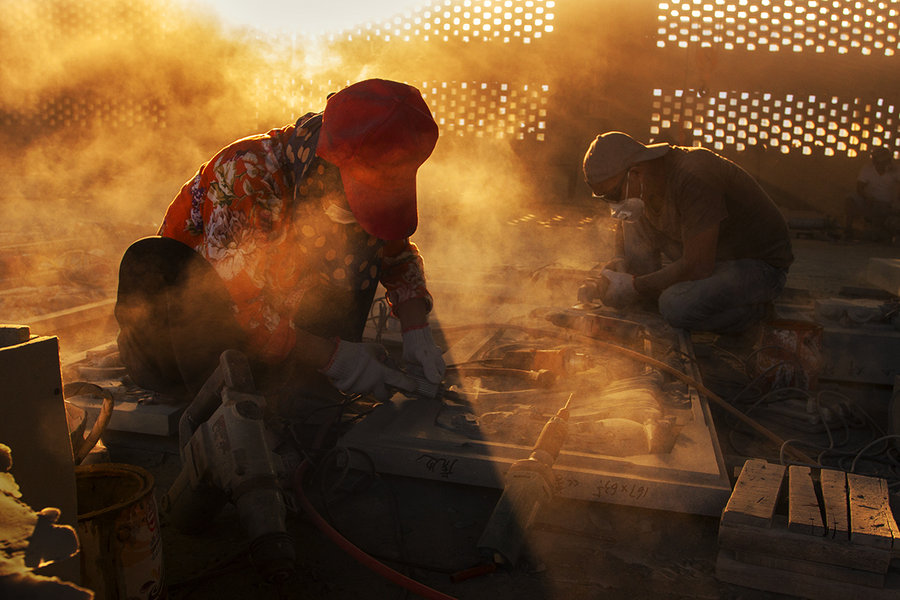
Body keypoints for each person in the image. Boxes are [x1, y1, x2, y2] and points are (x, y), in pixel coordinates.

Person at [114, 79, 446, 410]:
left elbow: (394, 250)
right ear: (328, 163)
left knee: (359, 236)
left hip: (282, 320)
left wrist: (415, 326)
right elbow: (245, 310)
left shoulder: (345, 170)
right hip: (194, 337)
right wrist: (337, 358)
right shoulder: (247, 175)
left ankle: (304, 381)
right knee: (163, 265)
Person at [578, 131, 794, 335]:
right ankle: (649, 296)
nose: (615, 204)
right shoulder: (645, 185)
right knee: (633, 218)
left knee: (675, 305)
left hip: (758, 267)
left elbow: (699, 265)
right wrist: (620, 264)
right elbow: (627, 230)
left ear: (636, 172)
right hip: (711, 261)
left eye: (614, 194)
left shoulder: (695, 173)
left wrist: (633, 285)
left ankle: (755, 314)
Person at [844, 147, 900, 241]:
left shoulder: (896, 170)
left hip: (887, 204)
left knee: (885, 222)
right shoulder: (867, 169)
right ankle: (848, 229)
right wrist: (867, 197)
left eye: (886, 160)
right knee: (850, 199)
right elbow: (859, 188)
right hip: (870, 201)